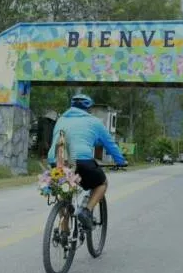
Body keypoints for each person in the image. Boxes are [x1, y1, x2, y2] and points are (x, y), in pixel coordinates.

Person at [46, 93, 128, 230]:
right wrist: (120, 161)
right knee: (102, 183)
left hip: (57, 161)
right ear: (89, 109)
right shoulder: (94, 122)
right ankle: (87, 211)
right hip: (81, 161)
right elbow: (110, 144)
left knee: (65, 190)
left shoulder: (61, 120)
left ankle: (64, 229)